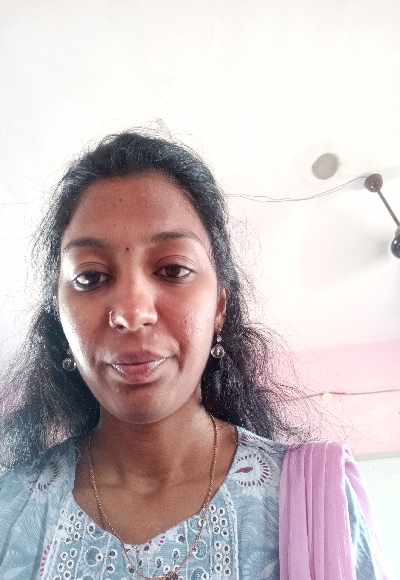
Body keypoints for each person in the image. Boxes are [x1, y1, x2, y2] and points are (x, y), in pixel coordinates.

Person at [0, 131, 388, 579]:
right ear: (59, 317)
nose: (132, 312)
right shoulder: (12, 513)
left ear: (220, 306)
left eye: (172, 269)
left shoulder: (314, 503)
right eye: (90, 277)